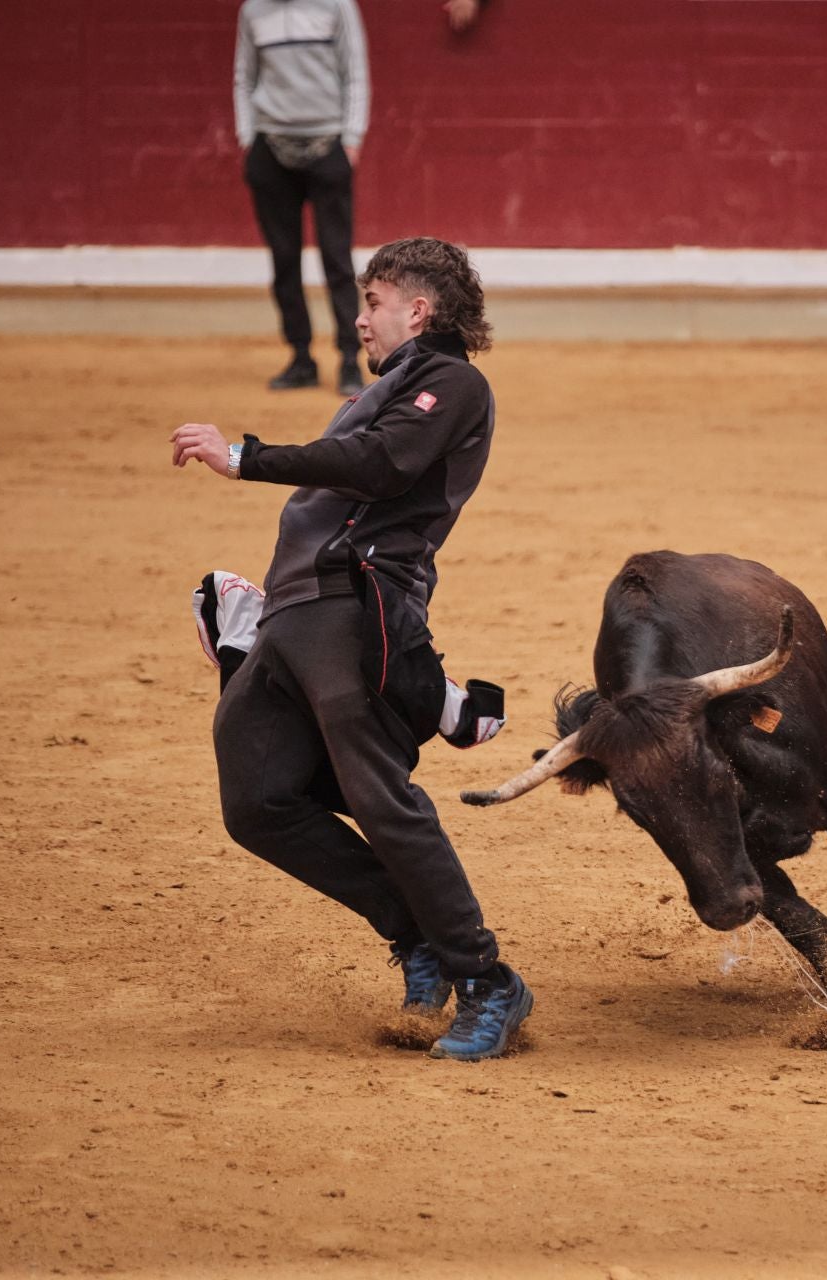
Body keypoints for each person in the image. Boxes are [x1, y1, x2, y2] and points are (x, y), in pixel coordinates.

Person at [170, 238, 533, 1062]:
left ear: (420, 310)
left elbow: (381, 463)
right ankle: (419, 938)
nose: (360, 320)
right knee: (258, 799)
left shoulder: (453, 383)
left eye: (373, 303)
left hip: (357, 609)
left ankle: (486, 981)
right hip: (296, 611)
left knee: (380, 798)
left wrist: (247, 456)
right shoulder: (396, 386)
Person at [234, 0, 370, 395]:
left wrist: (351, 139)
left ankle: (349, 358)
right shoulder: (253, 10)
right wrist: (249, 138)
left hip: (329, 143)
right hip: (270, 146)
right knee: (284, 258)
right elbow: (244, 77)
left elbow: (355, 75)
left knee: (337, 258)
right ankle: (300, 358)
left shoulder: (337, 5)